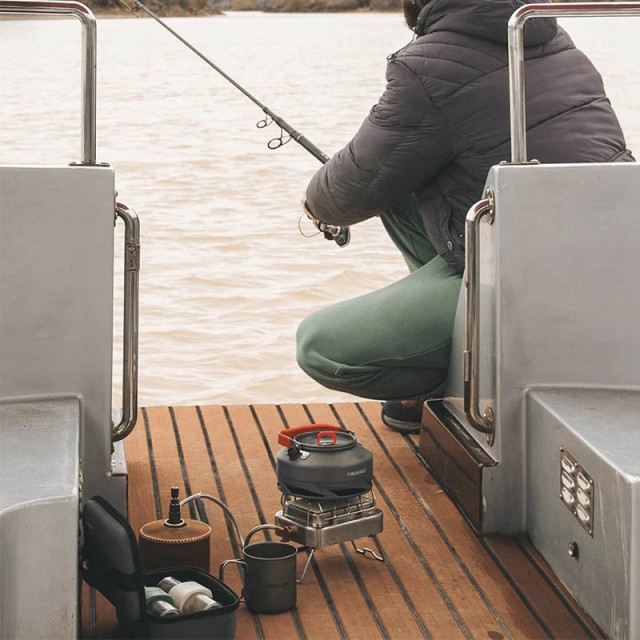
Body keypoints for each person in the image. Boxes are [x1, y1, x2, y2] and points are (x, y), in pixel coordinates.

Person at [296, 0, 634, 433]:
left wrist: (312, 204)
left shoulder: (427, 66)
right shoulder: (545, 35)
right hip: (615, 257)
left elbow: (346, 193)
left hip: (531, 284)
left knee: (319, 347)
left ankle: (462, 385)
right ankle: (455, 339)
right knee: (399, 188)